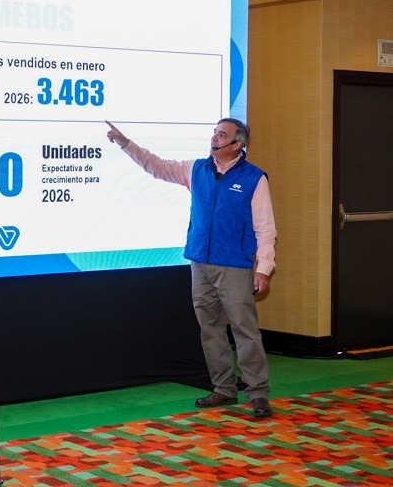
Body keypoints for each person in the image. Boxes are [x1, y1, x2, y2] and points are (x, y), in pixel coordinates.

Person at [105, 118, 277, 418]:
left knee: (244, 329)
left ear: (237, 144)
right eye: (214, 133)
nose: (214, 138)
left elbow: (265, 228)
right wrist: (125, 143)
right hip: (199, 262)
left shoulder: (254, 178)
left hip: (234, 265)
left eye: (221, 135)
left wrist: (264, 268)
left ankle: (258, 393)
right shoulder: (196, 169)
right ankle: (223, 388)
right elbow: (157, 166)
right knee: (210, 328)